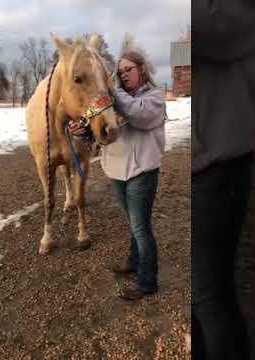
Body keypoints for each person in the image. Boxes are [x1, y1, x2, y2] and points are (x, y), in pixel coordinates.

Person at [191, 1, 255, 359]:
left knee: (211, 298)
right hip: (202, 161)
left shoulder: (236, 8)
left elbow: (208, 29)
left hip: (218, 166)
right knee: (198, 297)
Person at [69, 39, 166, 301]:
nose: (123, 75)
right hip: (117, 174)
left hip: (141, 174)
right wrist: (83, 132)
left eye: (128, 69)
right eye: (120, 71)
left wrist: (110, 89)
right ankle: (134, 263)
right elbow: (103, 134)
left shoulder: (152, 97)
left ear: (142, 69)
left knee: (141, 228)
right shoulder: (115, 102)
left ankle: (148, 282)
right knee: (134, 225)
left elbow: (139, 115)